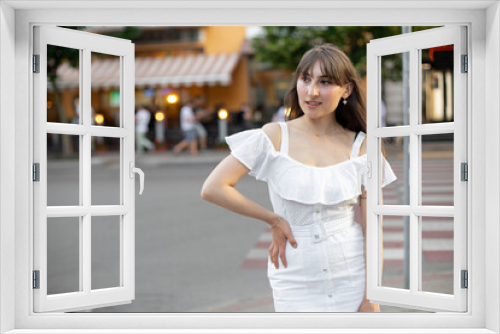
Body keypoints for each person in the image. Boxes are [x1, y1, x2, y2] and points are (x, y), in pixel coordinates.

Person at [201, 44, 397, 312]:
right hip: (294, 279)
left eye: (325, 82)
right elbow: (214, 188)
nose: (312, 91)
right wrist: (274, 219)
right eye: (306, 79)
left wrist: (371, 296)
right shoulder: (273, 137)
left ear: (347, 90)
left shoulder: (362, 146)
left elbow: (372, 230)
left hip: (352, 277)